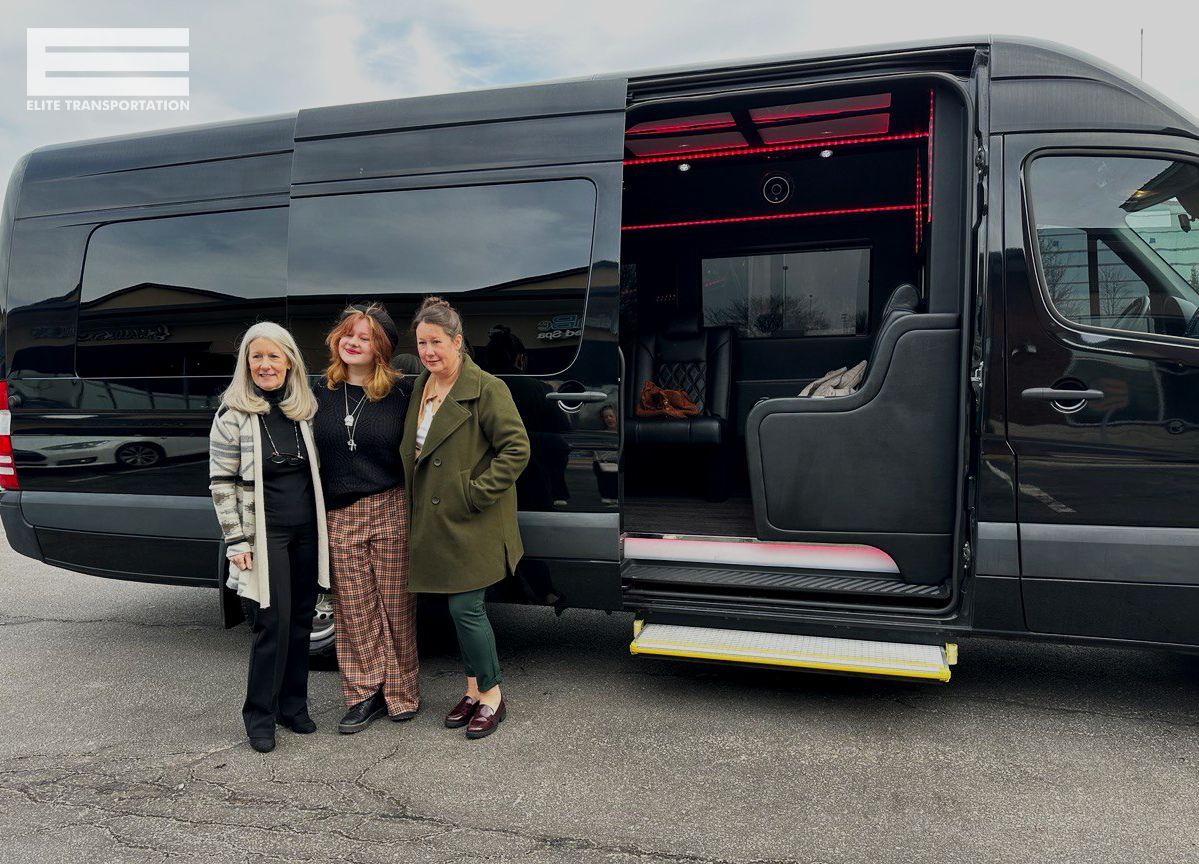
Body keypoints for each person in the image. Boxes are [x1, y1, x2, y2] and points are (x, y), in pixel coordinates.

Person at [400, 297, 530, 739]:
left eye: (437, 342)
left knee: (465, 607)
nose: (429, 351)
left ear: (458, 342)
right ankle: (473, 690)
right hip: (437, 520)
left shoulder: (488, 387)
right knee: (458, 611)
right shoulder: (422, 385)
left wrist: (473, 494)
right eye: (421, 343)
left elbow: (517, 450)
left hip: (473, 519)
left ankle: (492, 694)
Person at [208, 322, 329, 754]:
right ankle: (259, 715)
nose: (265, 364)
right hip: (266, 535)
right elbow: (220, 483)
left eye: (273, 356)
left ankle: (292, 707)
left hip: (306, 532)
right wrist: (237, 541)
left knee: (300, 622)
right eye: (256, 357)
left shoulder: (303, 412)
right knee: (271, 624)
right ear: (246, 364)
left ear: (290, 361)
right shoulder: (232, 416)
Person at [312, 303, 420, 734]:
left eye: (365, 336)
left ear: (382, 348)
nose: (353, 342)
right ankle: (363, 695)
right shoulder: (317, 390)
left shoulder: (401, 392)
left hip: (389, 505)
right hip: (338, 512)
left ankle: (401, 693)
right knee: (354, 610)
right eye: (348, 333)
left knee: (396, 606)